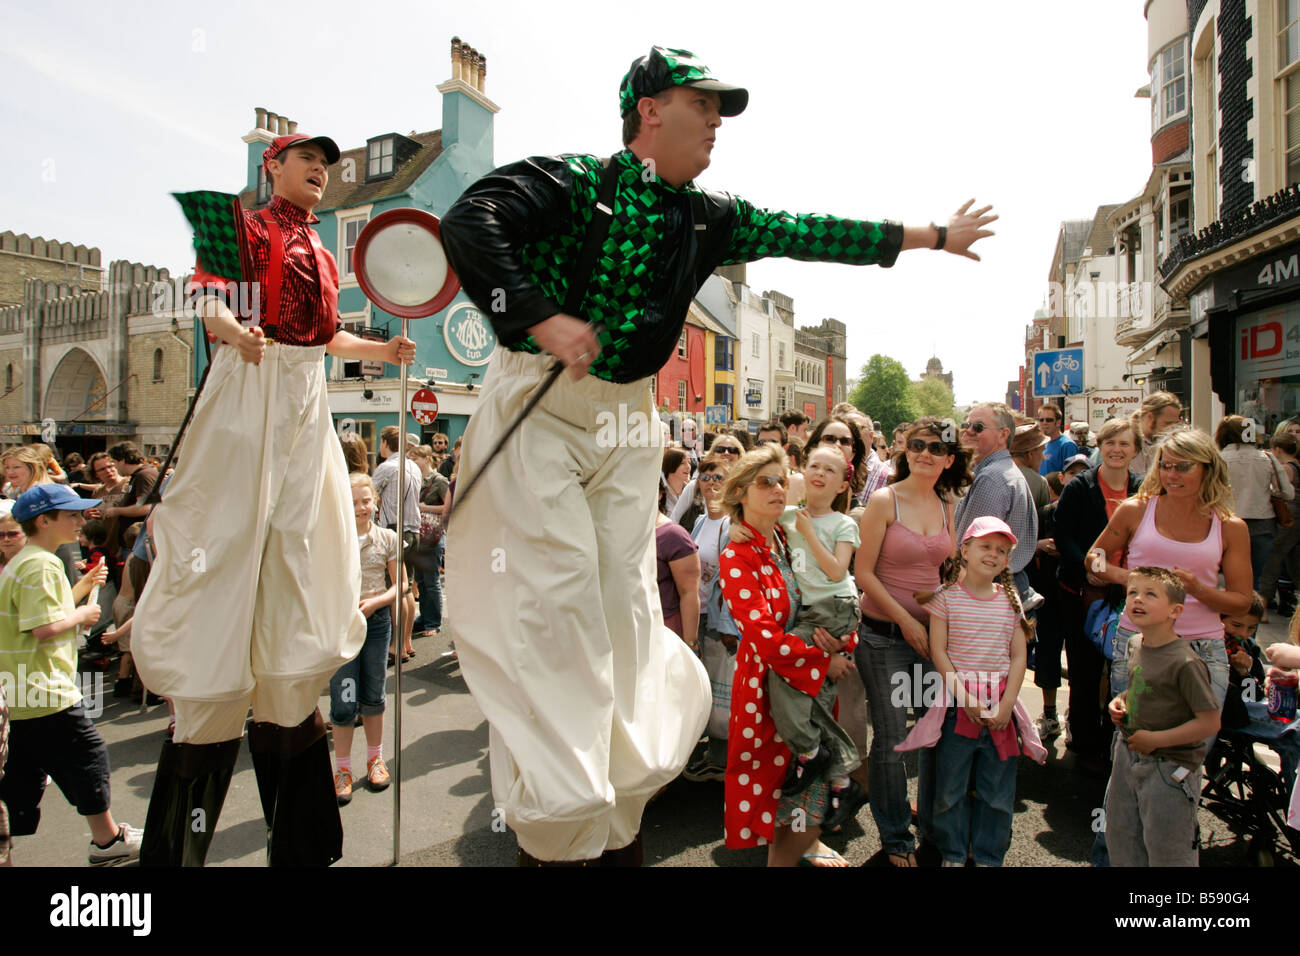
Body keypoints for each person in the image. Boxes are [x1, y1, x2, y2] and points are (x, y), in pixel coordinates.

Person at [437, 43, 994, 865]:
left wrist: (930, 235)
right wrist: (538, 315)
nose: (718, 125)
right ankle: (560, 794)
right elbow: (467, 223)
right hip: (541, 403)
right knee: (552, 593)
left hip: (628, 413)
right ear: (651, 110)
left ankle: (616, 777)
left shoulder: (708, 214)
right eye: (705, 106)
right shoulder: (575, 183)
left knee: (621, 600)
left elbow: (811, 231)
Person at [130, 131, 416, 867]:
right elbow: (208, 302)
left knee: (307, 551)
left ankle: (301, 841)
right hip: (248, 383)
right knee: (223, 545)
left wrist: (382, 352)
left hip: (303, 394)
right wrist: (231, 331)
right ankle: (180, 838)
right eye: (306, 159)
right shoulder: (240, 225)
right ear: (273, 167)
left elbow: (327, 338)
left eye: (327, 162)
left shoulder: (323, 253)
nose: (321, 169)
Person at [718, 445, 856, 866]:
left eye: (781, 480)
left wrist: (841, 643)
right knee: (777, 788)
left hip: (809, 681)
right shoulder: (736, 557)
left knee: (801, 794)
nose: (779, 488)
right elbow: (763, 637)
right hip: (768, 692)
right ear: (742, 492)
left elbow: (831, 589)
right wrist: (823, 662)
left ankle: (805, 846)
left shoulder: (785, 533)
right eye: (766, 482)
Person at [0, 484, 142, 865]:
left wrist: (83, 588)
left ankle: (106, 839)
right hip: (44, 690)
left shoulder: (27, 561)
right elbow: (44, 628)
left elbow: (40, 617)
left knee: (21, 781)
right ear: (43, 521)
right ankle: (108, 841)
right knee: (87, 760)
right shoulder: (41, 564)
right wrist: (83, 616)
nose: (80, 520)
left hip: (23, 692)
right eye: (71, 515)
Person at [856, 417, 970, 866]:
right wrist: (906, 621)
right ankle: (895, 835)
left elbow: (953, 567)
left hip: (935, 641)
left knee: (931, 734)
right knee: (890, 740)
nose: (925, 453)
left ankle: (932, 823)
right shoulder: (885, 501)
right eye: (918, 445)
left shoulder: (947, 502)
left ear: (948, 460)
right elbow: (863, 573)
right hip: (885, 637)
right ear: (906, 452)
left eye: (936, 448)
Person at [918, 517, 1033, 867]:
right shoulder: (945, 599)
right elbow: (939, 652)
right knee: (950, 791)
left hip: (1001, 709)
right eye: (985, 546)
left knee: (997, 793)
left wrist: (1007, 704)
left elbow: (1018, 656)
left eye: (1001, 550)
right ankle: (953, 853)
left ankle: (988, 856)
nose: (993, 554)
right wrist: (964, 698)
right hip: (957, 709)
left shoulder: (1011, 601)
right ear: (964, 550)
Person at [764, 446, 865, 822]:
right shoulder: (788, 515)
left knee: (784, 671)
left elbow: (838, 571)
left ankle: (809, 753)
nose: (820, 474)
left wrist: (808, 531)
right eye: (814, 467)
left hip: (836, 608)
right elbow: (759, 517)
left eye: (831, 470)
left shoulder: (843, 523)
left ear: (843, 483)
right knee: (814, 697)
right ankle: (840, 783)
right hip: (807, 612)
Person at [1104, 567, 1220, 867]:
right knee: (1123, 839)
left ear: (1175, 610)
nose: (1137, 600)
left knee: (1169, 851)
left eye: (1150, 594)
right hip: (1129, 757)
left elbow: (1208, 723)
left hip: (1170, 767)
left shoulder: (1185, 662)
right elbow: (1140, 688)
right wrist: (1120, 702)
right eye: (1132, 593)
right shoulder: (1136, 644)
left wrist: (1156, 740)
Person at [1052, 417, 1142, 769]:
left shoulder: (1143, 488)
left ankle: (1117, 740)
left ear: (1135, 450)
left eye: (1124, 444)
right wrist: (1092, 570)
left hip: (1129, 594)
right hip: (1081, 591)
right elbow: (1065, 537)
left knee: (1125, 670)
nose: (1117, 450)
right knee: (1085, 669)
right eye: (1111, 443)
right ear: (1099, 447)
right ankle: (1087, 744)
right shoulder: (1080, 487)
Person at [331, 474, 400, 804]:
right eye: (354, 501)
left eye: (366, 500)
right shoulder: (334, 540)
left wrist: (376, 603)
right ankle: (341, 768)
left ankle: (375, 759)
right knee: (343, 698)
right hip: (343, 625)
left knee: (374, 691)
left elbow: (400, 584)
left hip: (376, 623)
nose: (361, 507)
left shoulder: (387, 538)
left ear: (377, 502)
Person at [684, 454, 739, 781]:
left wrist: (729, 625)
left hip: (720, 619)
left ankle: (722, 759)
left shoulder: (732, 525)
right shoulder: (702, 521)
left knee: (721, 686)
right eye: (705, 477)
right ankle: (714, 754)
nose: (711, 484)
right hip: (701, 613)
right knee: (708, 683)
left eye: (719, 478)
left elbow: (735, 579)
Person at [955, 403, 1039, 605]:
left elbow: (970, 549)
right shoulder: (998, 471)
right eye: (966, 425)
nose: (969, 431)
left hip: (986, 592)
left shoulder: (992, 477)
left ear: (1003, 435)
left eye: (979, 427)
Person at [1215, 414, 1293, 591]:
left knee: (1230, 575)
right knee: (1259, 575)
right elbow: (1287, 493)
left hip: (1226, 522)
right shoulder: (1267, 458)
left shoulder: (1218, 459)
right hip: (1263, 522)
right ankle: (1256, 610)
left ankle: (1233, 610)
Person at [373, 426, 421, 663]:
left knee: (395, 590)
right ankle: (406, 642)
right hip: (413, 531)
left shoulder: (387, 468)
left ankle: (395, 646)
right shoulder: (413, 466)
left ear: (385, 443)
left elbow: (370, 496)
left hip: (394, 531)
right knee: (408, 586)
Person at [1258, 432, 1300, 617]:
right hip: (1297, 518)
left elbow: (1281, 490)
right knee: (1292, 561)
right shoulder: (1297, 464)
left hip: (1288, 517)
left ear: (1277, 449)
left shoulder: (1286, 468)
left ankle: (1263, 604)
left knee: (1272, 559)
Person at [1035, 403, 1077, 482]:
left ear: (1058, 422)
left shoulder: (1067, 445)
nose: (1044, 423)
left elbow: (1071, 477)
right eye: (1041, 420)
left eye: (1049, 420)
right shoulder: (1041, 444)